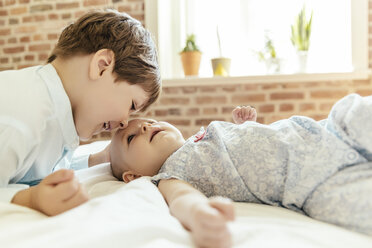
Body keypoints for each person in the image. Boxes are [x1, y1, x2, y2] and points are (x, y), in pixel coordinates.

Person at [109, 93, 372, 248]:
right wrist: (200, 213)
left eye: (150, 121)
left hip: (324, 131)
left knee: (361, 113)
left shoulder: (198, 138)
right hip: (312, 185)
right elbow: (182, 199)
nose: (144, 127)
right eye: (131, 138)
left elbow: (254, 144)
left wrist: (246, 127)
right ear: (134, 176)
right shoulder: (169, 175)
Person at [0, 9, 161, 216]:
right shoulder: (21, 118)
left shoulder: (57, 116)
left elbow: (39, 166)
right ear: (102, 66)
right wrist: (30, 198)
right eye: (131, 105)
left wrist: (96, 159)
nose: (124, 122)